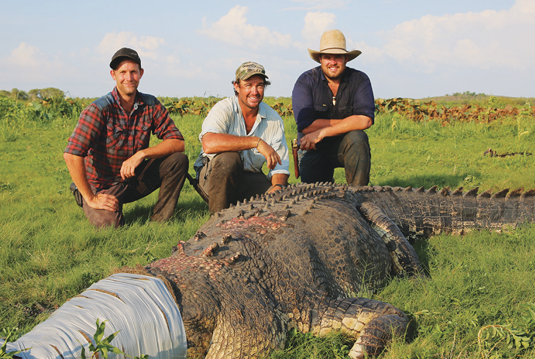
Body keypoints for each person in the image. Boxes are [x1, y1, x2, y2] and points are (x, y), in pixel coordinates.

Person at [64, 47, 188, 228]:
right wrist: (91, 198)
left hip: (132, 179)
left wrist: (141, 155)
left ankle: (160, 222)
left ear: (141, 74)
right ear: (113, 75)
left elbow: (178, 142)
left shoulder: (151, 104)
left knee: (178, 160)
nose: (128, 78)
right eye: (123, 72)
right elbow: (72, 155)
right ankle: (85, 197)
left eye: (133, 72)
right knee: (109, 226)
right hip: (102, 185)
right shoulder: (99, 110)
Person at [194, 61, 289, 213]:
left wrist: (277, 188)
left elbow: (280, 167)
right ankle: (217, 221)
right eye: (248, 85)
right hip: (214, 176)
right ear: (236, 86)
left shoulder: (274, 119)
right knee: (229, 159)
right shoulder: (224, 108)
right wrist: (255, 142)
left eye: (259, 85)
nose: (255, 91)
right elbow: (209, 143)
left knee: (284, 197)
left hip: (249, 177)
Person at [292, 29, 374, 186]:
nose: (333, 62)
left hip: (347, 144)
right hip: (313, 146)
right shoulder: (305, 81)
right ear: (320, 59)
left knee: (358, 138)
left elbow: (365, 121)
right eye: (328, 57)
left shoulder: (359, 80)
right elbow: (306, 125)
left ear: (346, 58)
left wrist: (322, 132)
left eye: (338, 57)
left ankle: (358, 194)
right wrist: (350, 122)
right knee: (312, 197)